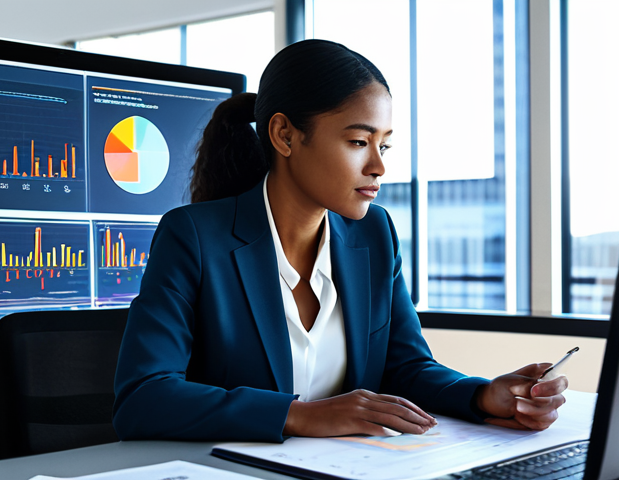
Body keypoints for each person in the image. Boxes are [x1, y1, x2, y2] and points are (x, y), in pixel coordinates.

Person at [112, 39, 568, 442]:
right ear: (285, 135)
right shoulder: (192, 235)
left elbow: (405, 367)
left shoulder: (375, 233)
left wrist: (484, 395)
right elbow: (143, 396)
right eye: (357, 142)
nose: (379, 167)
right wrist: (299, 416)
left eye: (384, 145)